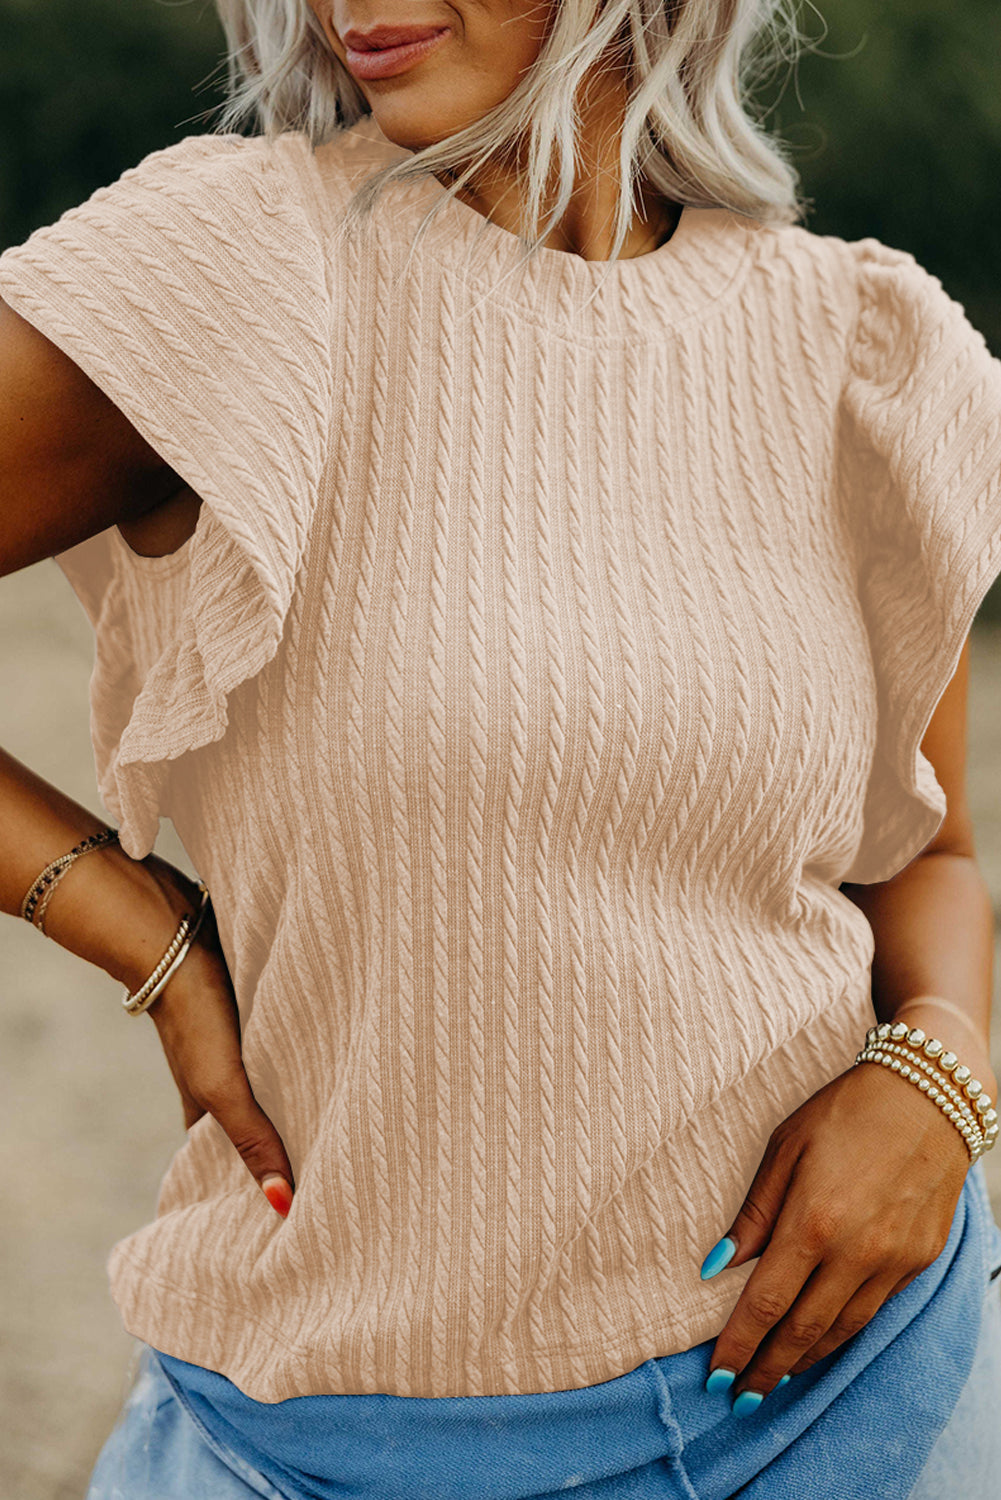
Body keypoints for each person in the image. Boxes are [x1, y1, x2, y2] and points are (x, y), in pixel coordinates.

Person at [1, 0, 1001, 1495]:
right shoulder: (235, 269)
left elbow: (925, 850)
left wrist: (942, 1069)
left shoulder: (862, 347)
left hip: (868, 1403)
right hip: (317, 1447)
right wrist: (129, 921)